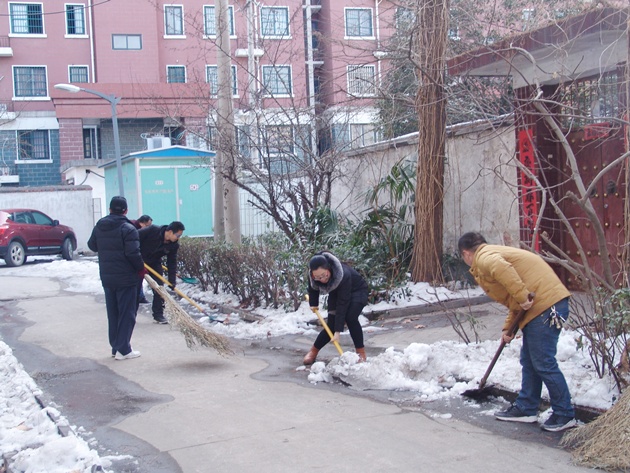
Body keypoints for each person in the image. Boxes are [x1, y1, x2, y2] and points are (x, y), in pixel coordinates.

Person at [458, 232, 576, 432]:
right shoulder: (492, 253)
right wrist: (509, 329)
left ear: (466, 253)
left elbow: (518, 291)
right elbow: (517, 300)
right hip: (541, 307)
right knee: (530, 361)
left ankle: (564, 414)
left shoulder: (484, 257)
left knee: (543, 362)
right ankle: (526, 408)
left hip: (546, 307)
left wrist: (522, 297)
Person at [87, 196, 145, 361]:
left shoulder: (100, 226)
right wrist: (141, 268)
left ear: (110, 209)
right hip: (126, 278)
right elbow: (133, 253)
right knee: (127, 314)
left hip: (107, 277)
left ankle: (116, 346)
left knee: (113, 314)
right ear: (126, 211)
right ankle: (124, 349)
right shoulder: (128, 229)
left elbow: (92, 245)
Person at [304, 251, 369, 365]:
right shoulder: (314, 276)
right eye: (317, 277)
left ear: (328, 268)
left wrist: (338, 331)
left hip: (357, 290)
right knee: (331, 326)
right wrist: (313, 303)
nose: (322, 279)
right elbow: (313, 288)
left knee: (350, 318)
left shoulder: (343, 275)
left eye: (324, 275)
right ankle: (313, 351)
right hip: (336, 292)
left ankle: (360, 352)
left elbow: (342, 304)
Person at [139, 221, 185, 324]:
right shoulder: (152, 230)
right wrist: (135, 256)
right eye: (178, 235)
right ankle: (130, 314)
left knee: (159, 288)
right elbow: (133, 239)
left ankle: (158, 314)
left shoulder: (174, 245)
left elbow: (171, 262)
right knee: (134, 288)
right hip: (138, 261)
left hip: (154, 263)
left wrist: (172, 281)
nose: (178, 238)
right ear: (170, 232)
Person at [130, 215, 153, 304]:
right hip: (134, 258)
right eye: (147, 226)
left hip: (138, 256)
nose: (148, 228)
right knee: (138, 278)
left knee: (139, 278)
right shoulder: (132, 229)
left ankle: (139, 297)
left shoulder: (139, 229)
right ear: (141, 223)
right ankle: (138, 297)